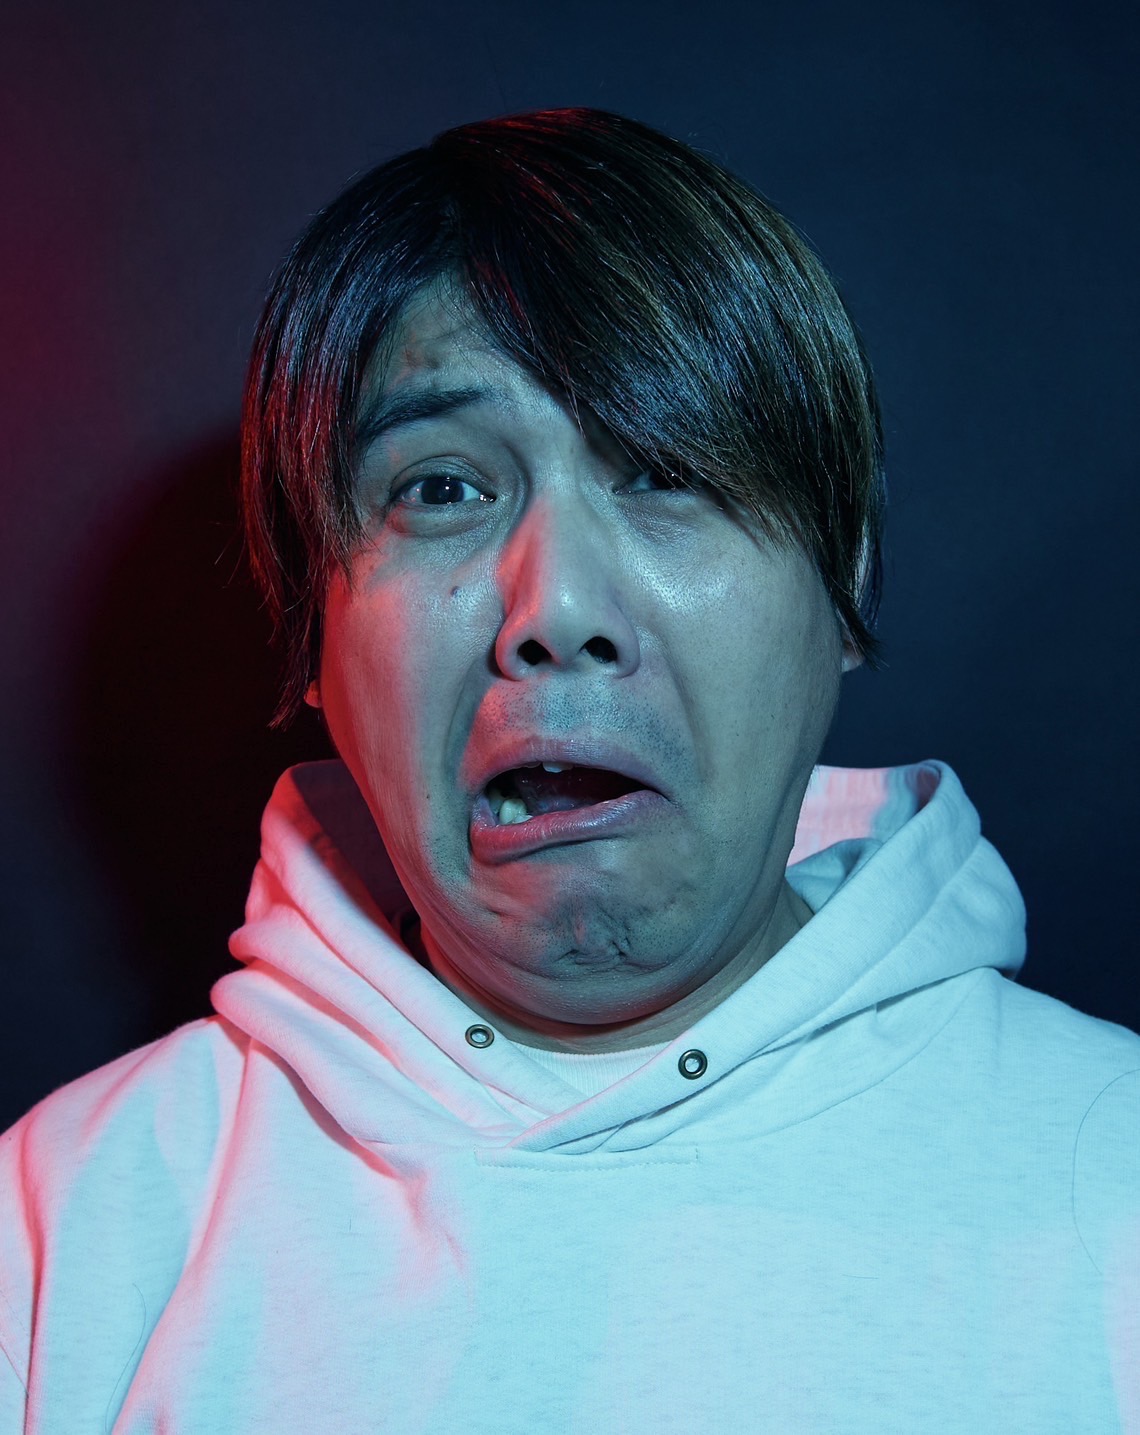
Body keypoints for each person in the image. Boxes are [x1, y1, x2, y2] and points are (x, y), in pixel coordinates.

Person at [1, 107, 1136, 1432]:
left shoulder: (1111, 1174)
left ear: (844, 586)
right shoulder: (56, 1231)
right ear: (311, 634)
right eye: (441, 488)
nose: (558, 607)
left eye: (664, 469)